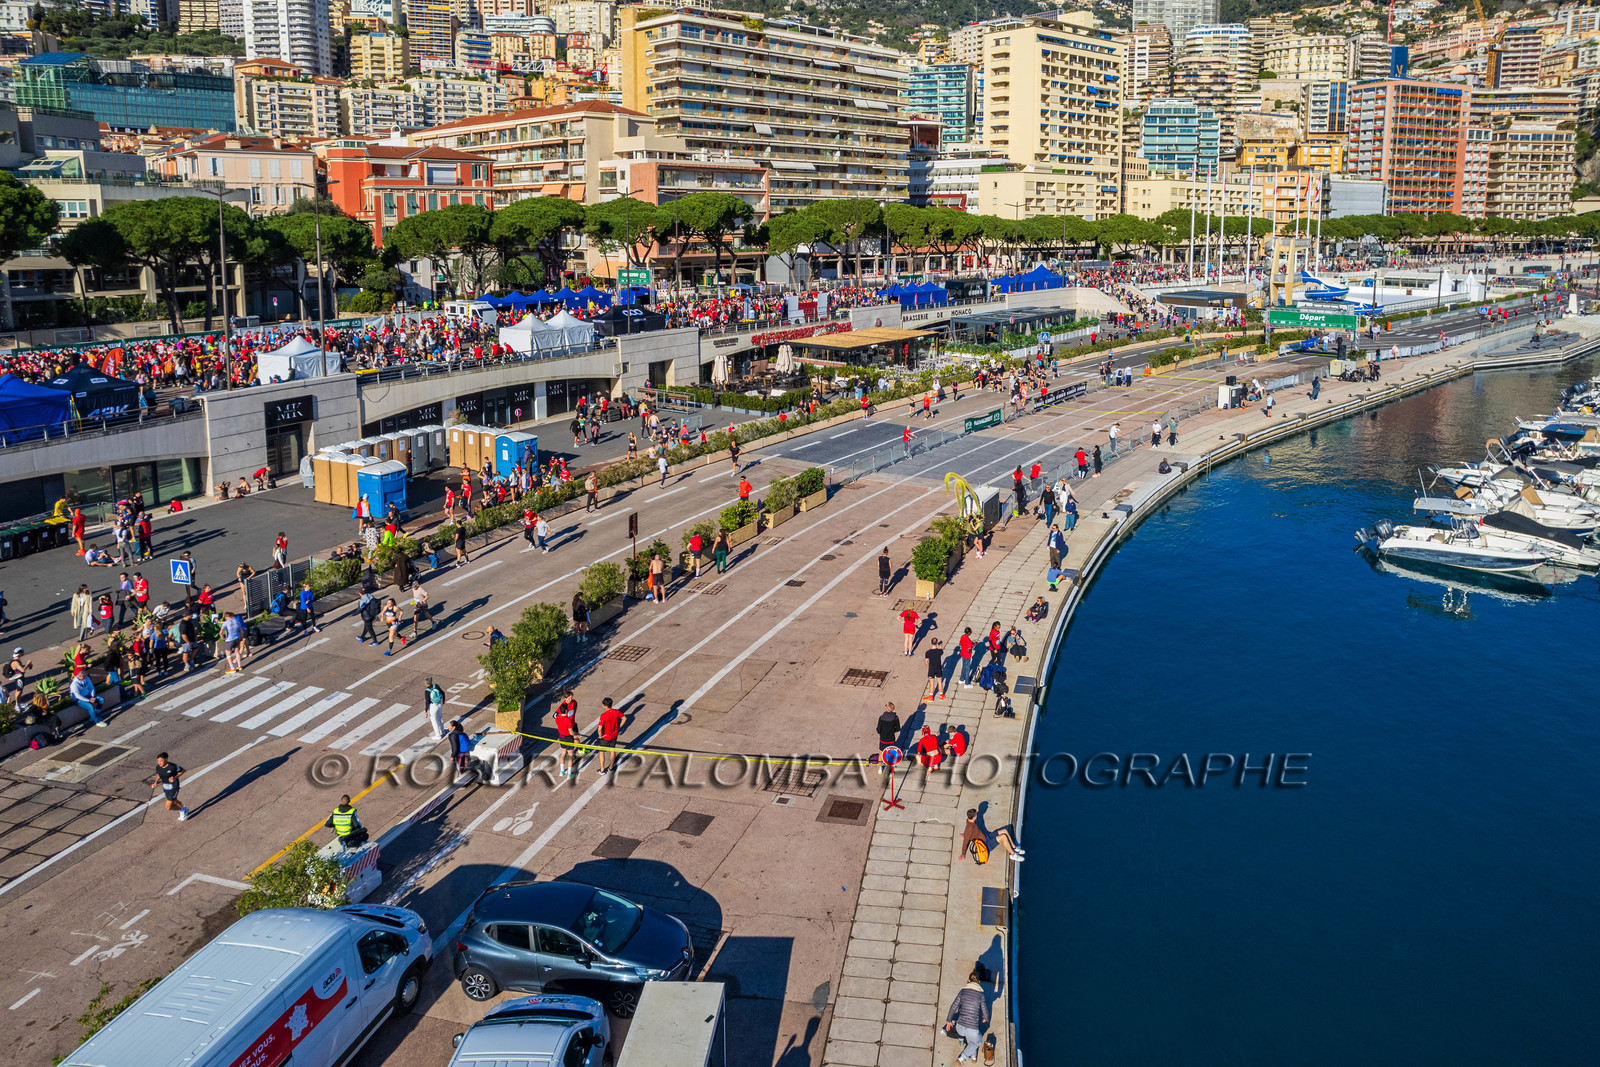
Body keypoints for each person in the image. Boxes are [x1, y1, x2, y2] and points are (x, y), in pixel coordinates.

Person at [153, 752, 189, 820]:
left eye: (161, 761)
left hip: (173, 787)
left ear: (166, 759)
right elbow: (159, 774)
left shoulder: (172, 767)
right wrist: (155, 782)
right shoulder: (158, 767)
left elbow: (182, 771)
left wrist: (175, 777)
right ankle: (184, 809)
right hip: (165, 787)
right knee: (174, 801)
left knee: (168, 807)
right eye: (158, 761)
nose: (159, 763)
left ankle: (182, 810)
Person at [594, 697, 623, 774]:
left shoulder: (603, 715)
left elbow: (599, 728)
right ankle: (611, 767)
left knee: (601, 752)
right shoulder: (616, 712)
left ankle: (602, 769)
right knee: (612, 750)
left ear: (604, 705)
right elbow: (624, 718)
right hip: (614, 735)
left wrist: (600, 735)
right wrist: (619, 726)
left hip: (606, 737)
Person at [554, 692, 579, 779]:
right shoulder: (567, 720)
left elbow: (557, 717)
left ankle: (561, 771)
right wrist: (576, 734)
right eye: (569, 698)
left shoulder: (558, 719)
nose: (571, 699)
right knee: (570, 755)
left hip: (562, 736)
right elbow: (571, 732)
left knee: (563, 752)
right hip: (568, 735)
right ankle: (569, 774)